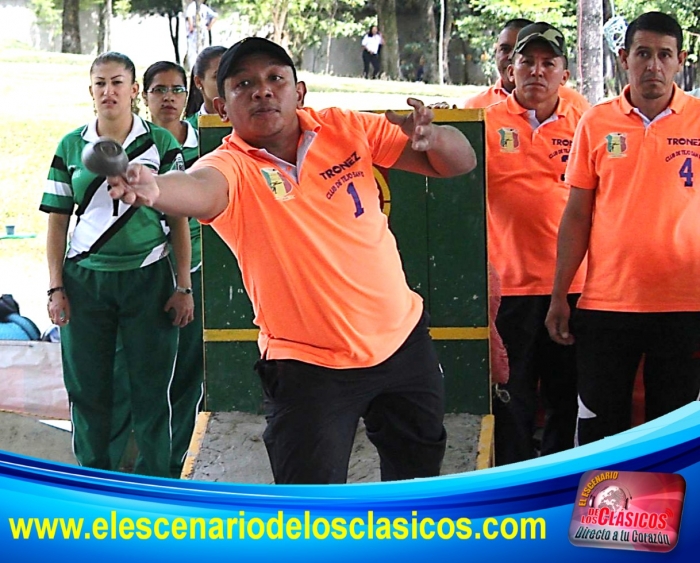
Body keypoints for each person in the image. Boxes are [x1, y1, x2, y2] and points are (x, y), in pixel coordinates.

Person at [108, 37, 477, 484]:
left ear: (298, 93)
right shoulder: (230, 166)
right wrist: (155, 189)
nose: (262, 90)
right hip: (307, 369)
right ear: (221, 107)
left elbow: (458, 162)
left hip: (402, 347)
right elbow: (199, 187)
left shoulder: (344, 128)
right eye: (244, 84)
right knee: (309, 513)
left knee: (419, 489)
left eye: (274, 79)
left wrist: (434, 136)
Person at [545, 12, 700, 446]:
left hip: (685, 304)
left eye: (664, 55)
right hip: (607, 304)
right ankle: (602, 515)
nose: (653, 65)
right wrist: (560, 294)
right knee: (600, 430)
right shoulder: (595, 122)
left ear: (680, 60)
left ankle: (670, 516)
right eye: (643, 53)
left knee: (672, 435)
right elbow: (576, 214)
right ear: (623, 58)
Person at [41, 51, 192, 477]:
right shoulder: (71, 145)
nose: (109, 91)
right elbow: (57, 223)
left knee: (150, 388)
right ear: (90, 92)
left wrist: (183, 286)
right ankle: (93, 480)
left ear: (133, 90)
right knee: (88, 388)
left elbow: (178, 218)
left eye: (117, 82)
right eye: (100, 83)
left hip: (150, 276)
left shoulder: (161, 145)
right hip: (85, 280)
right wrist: (56, 288)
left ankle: (156, 483)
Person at [486, 23, 588, 465]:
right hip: (510, 291)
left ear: (564, 73)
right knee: (513, 400)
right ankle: (513, 493)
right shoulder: (484, 122)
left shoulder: (587, 121)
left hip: (577, 287)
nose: (537, 72)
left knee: (570, 399)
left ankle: (561, 489)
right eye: (527, 61)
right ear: (511, 68)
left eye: (549, 63)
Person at [142, 60, 203, 477]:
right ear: (143, 97)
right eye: (159, 90)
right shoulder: (131, 144)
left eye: (177, 90)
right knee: (146, 374)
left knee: (188, 377)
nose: (168, 98)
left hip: (196, 272)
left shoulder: (211, 145)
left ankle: (177, 463)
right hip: (144, 274)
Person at [464, 18, 589, 113]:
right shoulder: (476, 108)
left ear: (564, 76)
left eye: (548, 63)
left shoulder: (576, 106)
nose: (510, 57)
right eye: (505, 49)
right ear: (511, 71)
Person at [185, 46, 226, 126]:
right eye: (217, 76)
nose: (226, 83)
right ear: (198, 82)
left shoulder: (248, 125)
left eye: (231, 76)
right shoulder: (187, 131)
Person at [185, 2, 218, 69]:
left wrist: (191, 29)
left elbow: (190, 18)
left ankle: (196, 68)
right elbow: (215, 16)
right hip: (202, 31)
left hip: (196, 31)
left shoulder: (193, 6)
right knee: (202, 50)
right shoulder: (201, 6)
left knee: (194, 52)